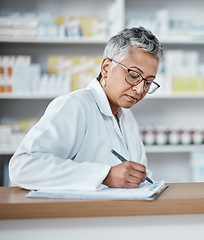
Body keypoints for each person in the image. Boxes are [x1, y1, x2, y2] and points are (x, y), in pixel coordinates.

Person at [9, 26, 164, 191]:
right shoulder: (75, 105)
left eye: (148, 82)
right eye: (134, 75)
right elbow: (23, 167)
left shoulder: (127, 116)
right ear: (105, 68)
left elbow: (139, 177)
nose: (140, 90)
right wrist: (105, 176)